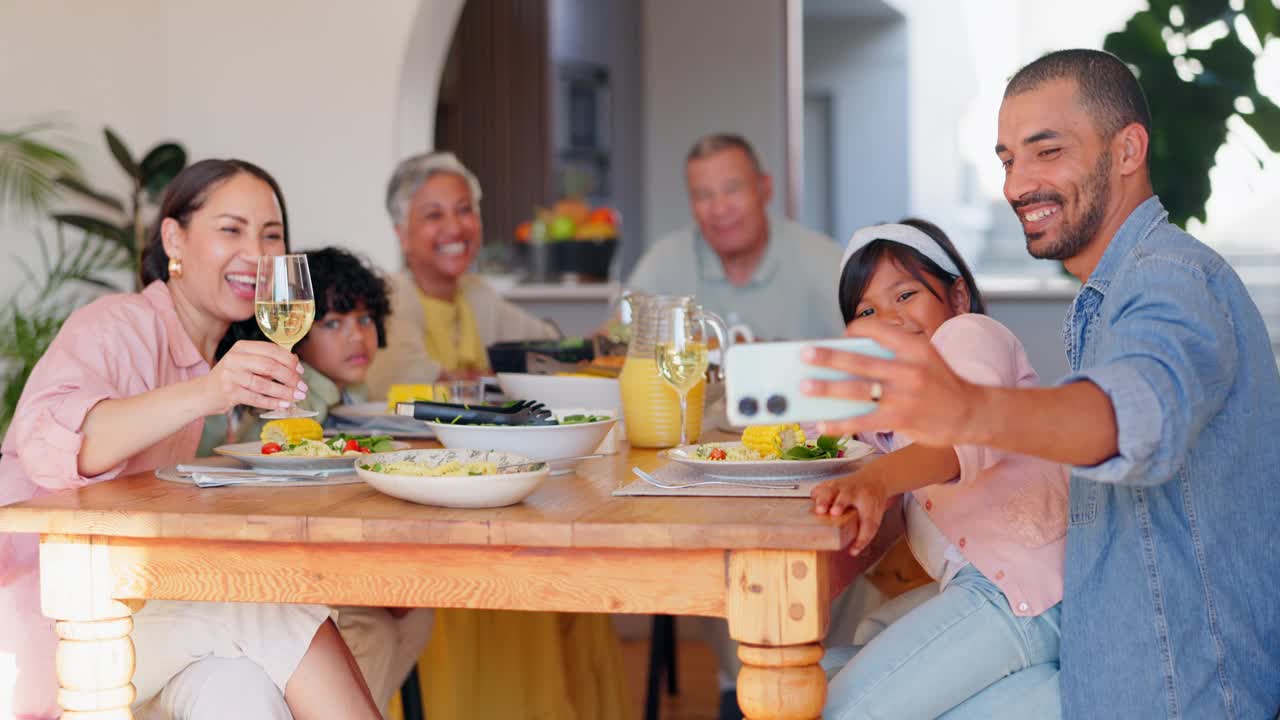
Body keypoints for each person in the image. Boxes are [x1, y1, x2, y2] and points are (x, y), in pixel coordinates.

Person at [802, 49, 1280, 718]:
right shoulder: (1107, 302)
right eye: (1006, 160)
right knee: (817, 681)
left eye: (1045, 151)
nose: (1017, 184)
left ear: (1126, 150)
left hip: (1176, 693)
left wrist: (968, 410)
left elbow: (1134, 411)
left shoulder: (1172, 280)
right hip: (1098, 663)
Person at [0, 159, 382, 719]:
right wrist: (208, 391)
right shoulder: (117, 324)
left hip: (136, 613)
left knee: (237, 691)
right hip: (42, 625)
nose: (255, 252)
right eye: (231, 230)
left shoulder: (203, 356)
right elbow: (59, 445)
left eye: (270, 235)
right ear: (174, 238)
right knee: (270, 608)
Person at [811, 219, 1067, 720]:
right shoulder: (889, 411)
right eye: (867, 311)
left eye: (905, 296)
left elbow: (954, 443)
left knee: (835, 710)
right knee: (803, 684)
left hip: (1019, 596)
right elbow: (830, 442)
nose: (889, 320)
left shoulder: (968, 339)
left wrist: (874, 480)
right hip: (985, 599)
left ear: (956, 296)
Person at [236, 245, 435, 719]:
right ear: (297, 334)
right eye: (334, 323)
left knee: (417, 611)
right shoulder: (292, 400)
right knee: (379, 626)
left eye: (365, 320)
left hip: (325, 559)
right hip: (288, 572)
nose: (357, 337)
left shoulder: (351, 398)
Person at [365, 151, 556, 398]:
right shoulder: (387, 297)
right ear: (402, 234)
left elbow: (550, 348)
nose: (454, 228)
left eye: (464, 210)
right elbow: (407, 384)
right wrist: (496, 377)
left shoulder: (476, 293)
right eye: (434, 215)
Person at [625, 133, 846, 340]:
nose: (720, 209)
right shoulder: (663, 262)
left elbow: (869, 349)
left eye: (733, 189)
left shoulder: (826, 263)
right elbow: (616, 340)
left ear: (764, 189)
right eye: (703, 195)